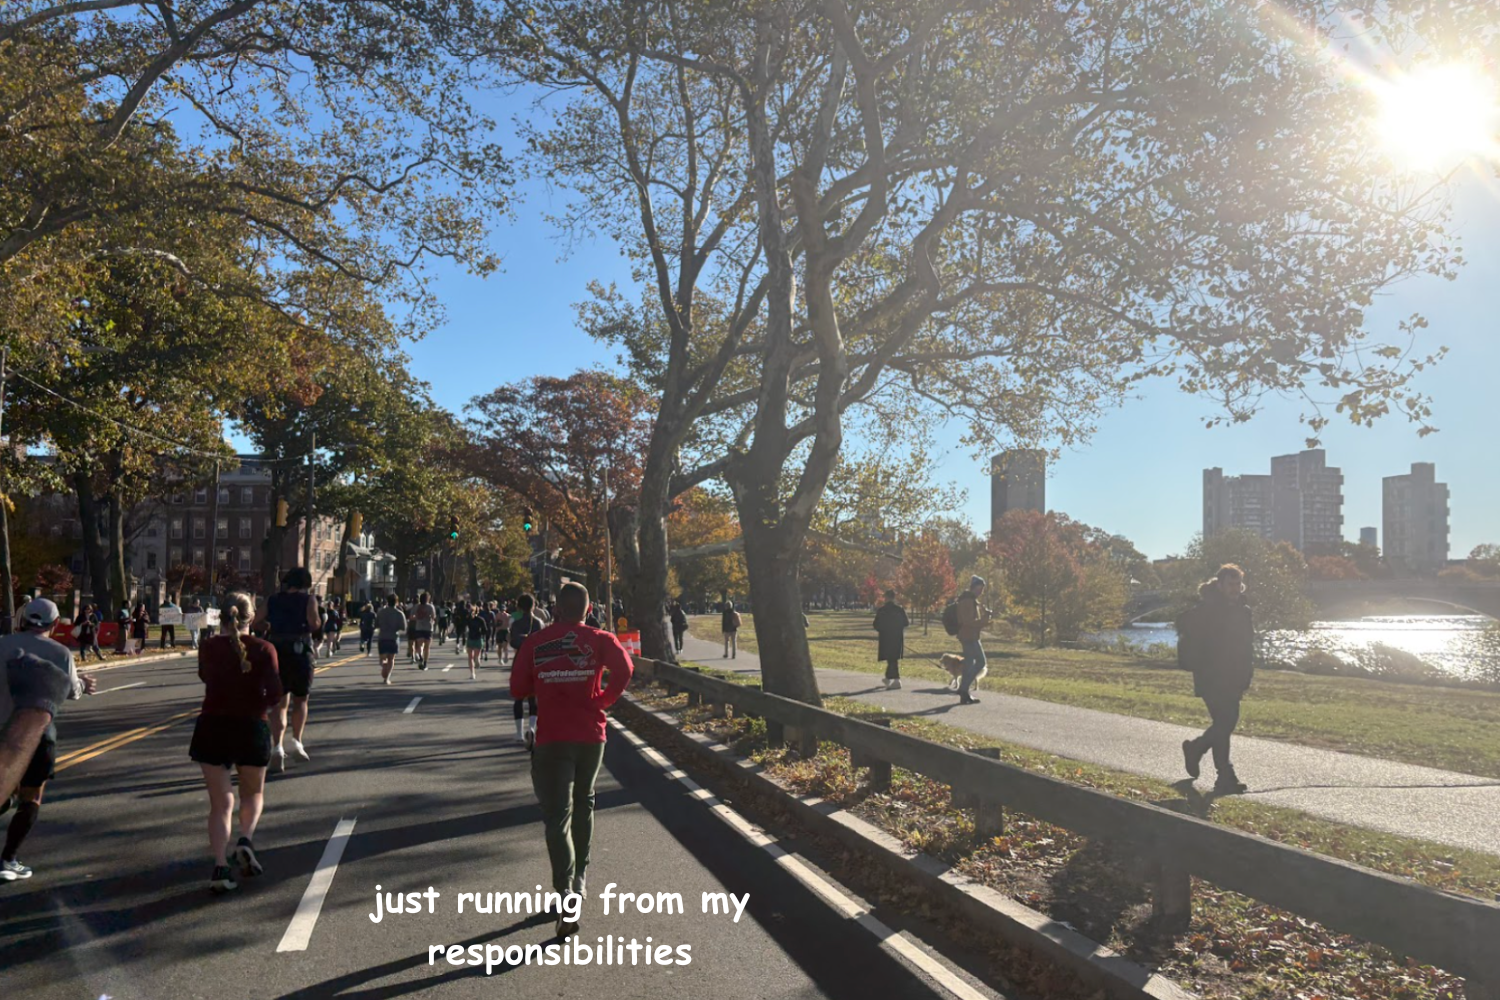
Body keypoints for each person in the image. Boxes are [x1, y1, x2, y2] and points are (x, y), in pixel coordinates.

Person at [510, 582, 633, 939]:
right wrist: (603, 699)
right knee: (585, 804)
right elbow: (625, 669)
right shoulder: (601, 639)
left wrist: (547, 679)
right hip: (591, 736)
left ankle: (566, 894)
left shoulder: (536, 642)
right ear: (589, 606)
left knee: (557, 816)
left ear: (556, 609)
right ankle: (579, 879)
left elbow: (517, 689)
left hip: (552, 738)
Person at [189, 591, 282, 894]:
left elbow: (206, 677)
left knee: (220, 803)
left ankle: (219, 864)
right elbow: (275, 692)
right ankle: (245, 840)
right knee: (252, 794)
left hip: (212, 725)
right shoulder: (265, 648)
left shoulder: (208, 647)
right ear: (251, 617)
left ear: (222, 616)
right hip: (252, 726)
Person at [0, 599, 96, 881]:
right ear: (54, 625)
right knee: (33, 796)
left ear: (24, 619)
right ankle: (7, 860)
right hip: (35, 734)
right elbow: (71, 691)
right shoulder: (60, 653)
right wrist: (84, 684)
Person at [1178, 564, 1255, 795]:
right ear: (1219, 585)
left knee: (1224, 724)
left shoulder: (1243, 611)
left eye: (1237, 584)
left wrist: (1246, 673)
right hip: (1211, 676)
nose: (1234, 589)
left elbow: (1247, 646)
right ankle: (1224, 774)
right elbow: (1191, 633)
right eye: (1230, 584)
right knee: (1225, 722)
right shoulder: (1207, 609)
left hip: (1233, 677)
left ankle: (1198, 751)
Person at [252, 568, 321, 770]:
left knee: (279, 701)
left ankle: (277, 748)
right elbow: (314, 623)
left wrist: (270, 627)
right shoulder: (309, 600)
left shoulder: (272, 600)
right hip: (300, 652)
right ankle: (296, 741)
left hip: (277, 651)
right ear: (305, 583)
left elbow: (256, 620)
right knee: (301, 699)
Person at [508, 595, 545, 746]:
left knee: (518, 697)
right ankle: (532, 727)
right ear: (534, 606)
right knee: (533, 697)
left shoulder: (516, 624)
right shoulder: (539, 623)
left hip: (520, 661)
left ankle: (519, 733)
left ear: (519, 607)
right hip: (536, 662)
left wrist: (523, 639)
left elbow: (514, 643)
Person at [955, 576, 993, 706]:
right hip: (969, 636)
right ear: (973, 587)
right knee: (981, 662)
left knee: (969, 665)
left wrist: (985, 619)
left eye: (982, 589)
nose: (980, 591)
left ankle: (964, 695)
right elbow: (968, 622)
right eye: (979, 588)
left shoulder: (971, 600)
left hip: (970, 635)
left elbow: (972, 622)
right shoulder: (967, 601)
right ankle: (963, 688)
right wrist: (984, 620)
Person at [873, 590, 911, 690]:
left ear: (886, 598)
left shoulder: (882, 610)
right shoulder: (899, 610)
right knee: (893, 658)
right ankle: (888, 678)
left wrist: (883, 629)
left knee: (891, 659)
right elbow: (906, 623)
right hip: (897, 637)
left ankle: (896, 680)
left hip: (885, 637)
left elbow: (876, 625)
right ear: (894, 598)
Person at [375, 595, 406, 684]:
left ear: (387, 601)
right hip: (393, 638)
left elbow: (376, 624)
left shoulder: (381, 612)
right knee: (391, 659)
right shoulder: (399, 613)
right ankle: (387, 678)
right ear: (396, 602)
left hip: (382, 637)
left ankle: (384, 665)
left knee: (382, 658)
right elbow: (403, 627)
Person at [411, 592, 435, 669]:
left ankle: (419, 655)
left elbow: (411, 617)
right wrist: (431, 619)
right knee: (427, 647)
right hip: (428, 628)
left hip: (419, 627)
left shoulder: (416, 607)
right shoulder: (430, 607)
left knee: (420, 645)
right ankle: (425, 663)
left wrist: (417, 618)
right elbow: (433, 617)